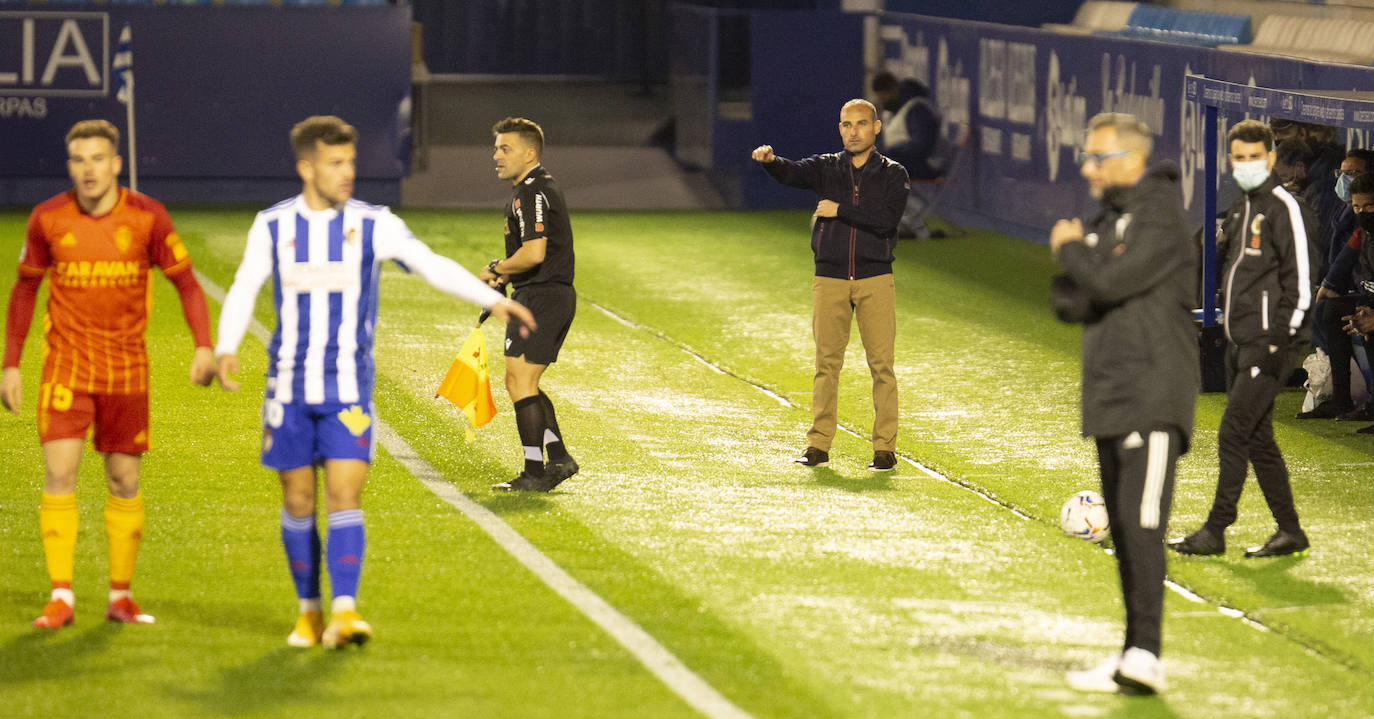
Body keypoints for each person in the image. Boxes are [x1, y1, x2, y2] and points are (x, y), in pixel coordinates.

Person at [213, 116, 534, 649]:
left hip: (347, 388)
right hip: (288, 390)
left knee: (344, 493)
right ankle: (308, 611)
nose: (348, 173)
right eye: (336, 164)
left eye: (351, 162)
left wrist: (492, 299)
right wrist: (227, 347)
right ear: (306, 168)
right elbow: (246, 285)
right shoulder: (273, 225)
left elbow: (428, 264)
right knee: (297, 501)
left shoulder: (374, 223)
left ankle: (345, 610)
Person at [2, 119, 219, 629]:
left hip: (126, 371)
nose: (88, 169)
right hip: (67, 368)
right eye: (78, 160)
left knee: (123, 480)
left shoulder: (147, 217)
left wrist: (204, 346)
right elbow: (24, 289)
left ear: (116, 163)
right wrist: (11, 361)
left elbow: (186, 283)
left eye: (97, 158)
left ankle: (120, 596)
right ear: (70, 164)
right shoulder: (48, 218)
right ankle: (61, 596)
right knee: (60, 474)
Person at [1050, 113, 1197, 695]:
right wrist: (1083, 262)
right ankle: (1133, 655)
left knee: (1141, 528)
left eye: (1097, 157)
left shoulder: (1159, 213)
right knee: (1126, 536)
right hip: (1112, 396)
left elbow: (1102, 285)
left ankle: (1146, 656)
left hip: (1151, 396)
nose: (1087, 168)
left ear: (1131, 161)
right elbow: (1070, 301)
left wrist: (1070, 250)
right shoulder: (1112, 219)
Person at [1170, 119, 1317, 561]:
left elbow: (1304, 283)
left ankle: (1216, 529)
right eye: (1240, 157)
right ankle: (1290, 531)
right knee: (1257, 438)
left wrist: (1280, 340)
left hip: (1268, 345)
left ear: (1271, 158)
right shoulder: (1241, 208)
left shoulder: (1283, 208)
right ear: (1231, 160)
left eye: (1256, 157)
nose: (1248, 164)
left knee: (1233, 431)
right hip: (1240, 341)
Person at [751, 99, 909, 472]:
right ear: (840, 129)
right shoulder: (826, 167)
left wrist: (840, 210)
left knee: (882, 366)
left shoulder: (892, 174)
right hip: (830, 279)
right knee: (826, 365)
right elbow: (792, 173)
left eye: (860, 124)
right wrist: (772, 162)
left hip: (875, 279)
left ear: (876, 128)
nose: (853, 131)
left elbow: (887, 220)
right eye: (846, 125)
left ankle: (884, 449)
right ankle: (818, 446)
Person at [480, 117, 580, 493]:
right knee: (521, 381)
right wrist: (507, 276)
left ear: (530, 152)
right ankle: (557, 459)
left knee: (521, 382)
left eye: (504, 148)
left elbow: (534, 253)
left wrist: (496, 268)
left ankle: (535, 472)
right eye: (496, 148)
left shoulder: (532, 192)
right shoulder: (535, 188)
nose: (496, 156)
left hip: (543, 296)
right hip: (540, 294)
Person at [1301, 173, 1374, 421]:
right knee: (1334, 311)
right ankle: (1341, 400)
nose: (1362, 212)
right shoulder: (1364, 234)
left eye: (1368, 206)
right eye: (1356, 207)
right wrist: (1363, 309)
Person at [871, 71, 944, 239]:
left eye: (884, 97)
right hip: (904, 164)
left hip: (925, 164)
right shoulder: (893, 110)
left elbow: (922, 146)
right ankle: (905, 222)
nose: (882, 102)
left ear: (894, 89)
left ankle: (913, 220)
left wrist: (892, 155)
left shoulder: (918, 109)